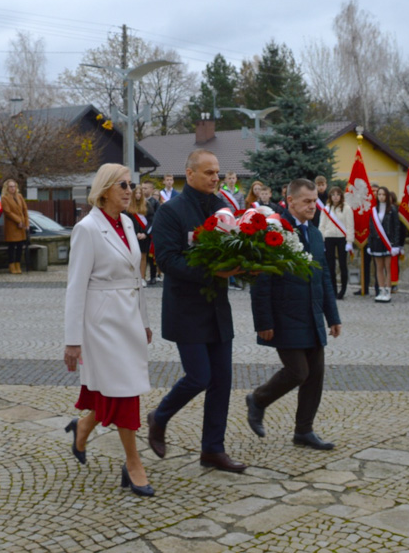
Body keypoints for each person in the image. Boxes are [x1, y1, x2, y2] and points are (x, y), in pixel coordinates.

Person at [145, 149, 247, 473]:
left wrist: (247, 265)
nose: (215, 177)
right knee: (199, 376)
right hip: (186, 309)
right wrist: (212, 272)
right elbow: (167, 260)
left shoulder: (222, 209)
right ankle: (159, 417)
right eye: (208, 172)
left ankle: (213, 450)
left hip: (217, 308)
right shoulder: (170, 212)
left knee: (222, 381)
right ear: (189, 174)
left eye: (217, 172)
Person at [63, 163, 154, 497]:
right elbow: (75, 287)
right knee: (125, 391)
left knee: (118, 388)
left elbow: (136, 277)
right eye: (122, 185)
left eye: (131, 185)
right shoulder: (87, 228)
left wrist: (144, 321)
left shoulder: (128, 223)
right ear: (103, 191)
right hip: (101, 323)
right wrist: (72, 341)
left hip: (128, 318)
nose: (130, 190)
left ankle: (83, 426)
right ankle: (133, 463)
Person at [245, 178, 342, 450]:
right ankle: (258, 399)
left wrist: (332, 317)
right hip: (284, 314)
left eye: (315, 201)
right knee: (298, 371)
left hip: (311, 314)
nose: (313, 206)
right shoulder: (275, 229)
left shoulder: (315, 234)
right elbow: (261, 280)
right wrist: (263, 321)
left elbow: (323, 279)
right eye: (307, 202)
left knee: (315, 375)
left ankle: (304, 431)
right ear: (291, 202)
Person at [318, 186, 354, 299]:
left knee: (343, 265)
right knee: (330, 265)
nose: (335, 197)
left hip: (342, 238)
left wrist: (350, 241)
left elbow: (350, 226)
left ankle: (343, 290)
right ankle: (333, 290)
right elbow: (321, 226)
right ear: (330, 196)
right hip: (329, 238)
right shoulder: (326, 209)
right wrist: (322, 240)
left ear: (341, 196)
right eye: (333, 194)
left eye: (338, 194)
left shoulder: (347, 208)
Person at [367, 186, 400, 302]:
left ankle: (388, 291)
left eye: (383, 195)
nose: (381, 196)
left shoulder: (393, 210)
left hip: (388, 243)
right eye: (379, 194)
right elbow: (371, 229)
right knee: (379, 268)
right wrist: (369, 245)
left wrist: (396, 245)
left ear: (387, 196)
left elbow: (396, 228)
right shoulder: (373, 210)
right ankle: (381, 290)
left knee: (388, 268)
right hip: (376, 242)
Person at [1, 179, 29, 275]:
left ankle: (18, 264)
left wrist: (26, 223)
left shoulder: (20, 196)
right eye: (10, 186)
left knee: (20, 247)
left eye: (14, 186)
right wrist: (18, 221)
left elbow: (25, 210)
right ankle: (12, 265)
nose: (12, 188)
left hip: (21, 227)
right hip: (12, 226)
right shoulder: (4, 198)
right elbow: (8, 212)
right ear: (7, 188)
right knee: (12, 247)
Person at [125, 184, 150, 287]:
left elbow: (152, 220)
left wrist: (145, 233)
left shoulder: (147, 205)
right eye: (137, 193)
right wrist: (134, 233)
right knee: (133, 257)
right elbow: (127, 221)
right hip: (133, 235)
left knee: (143, 256)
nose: (138, 195)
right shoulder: (128, 206)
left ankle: (142, 278)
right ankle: (134, 277)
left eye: (140, 193)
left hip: (144, 236)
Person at [142, 182, 160, 285]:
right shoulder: (138, 202)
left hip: (151, 232)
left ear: (151, 190)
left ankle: (153, 276)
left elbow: (156, 218)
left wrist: (149, 231)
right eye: (143, 188)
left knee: (151, 256)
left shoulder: (155, 202)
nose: (144, 190)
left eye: (146, 188)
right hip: (140, 231)